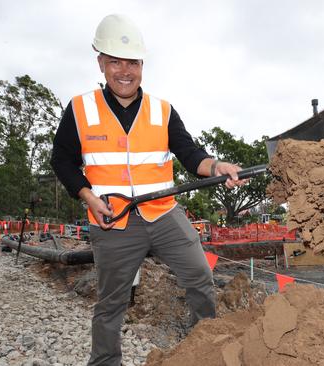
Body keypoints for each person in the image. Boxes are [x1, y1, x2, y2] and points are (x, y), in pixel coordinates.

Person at [50, 14, 245, 365]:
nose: (124, 71)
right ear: (101, 63)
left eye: (132, 63)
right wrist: (89, 198)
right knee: (111, 302)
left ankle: (207, 348)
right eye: (115, 62)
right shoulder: (81, 109)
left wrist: (217, 167)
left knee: (200, 276)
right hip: (113, 221)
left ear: (142, 65)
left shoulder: (162, 111)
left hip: (164, 215)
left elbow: (190, 154)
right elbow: (61, 160)